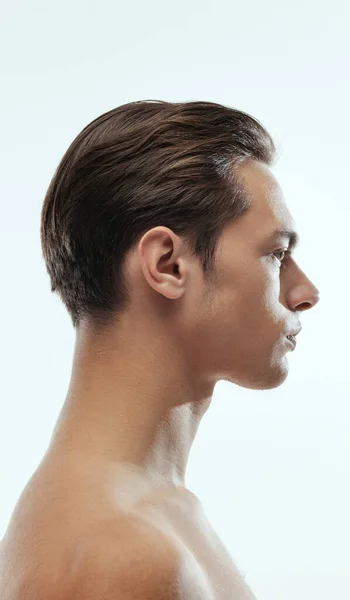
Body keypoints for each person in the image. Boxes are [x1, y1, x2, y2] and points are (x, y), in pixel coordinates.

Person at [0, 100, 319, 599]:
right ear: (168, 264)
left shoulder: (155, 511)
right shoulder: (120, 556)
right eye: (277, 254)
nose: (304, 293)